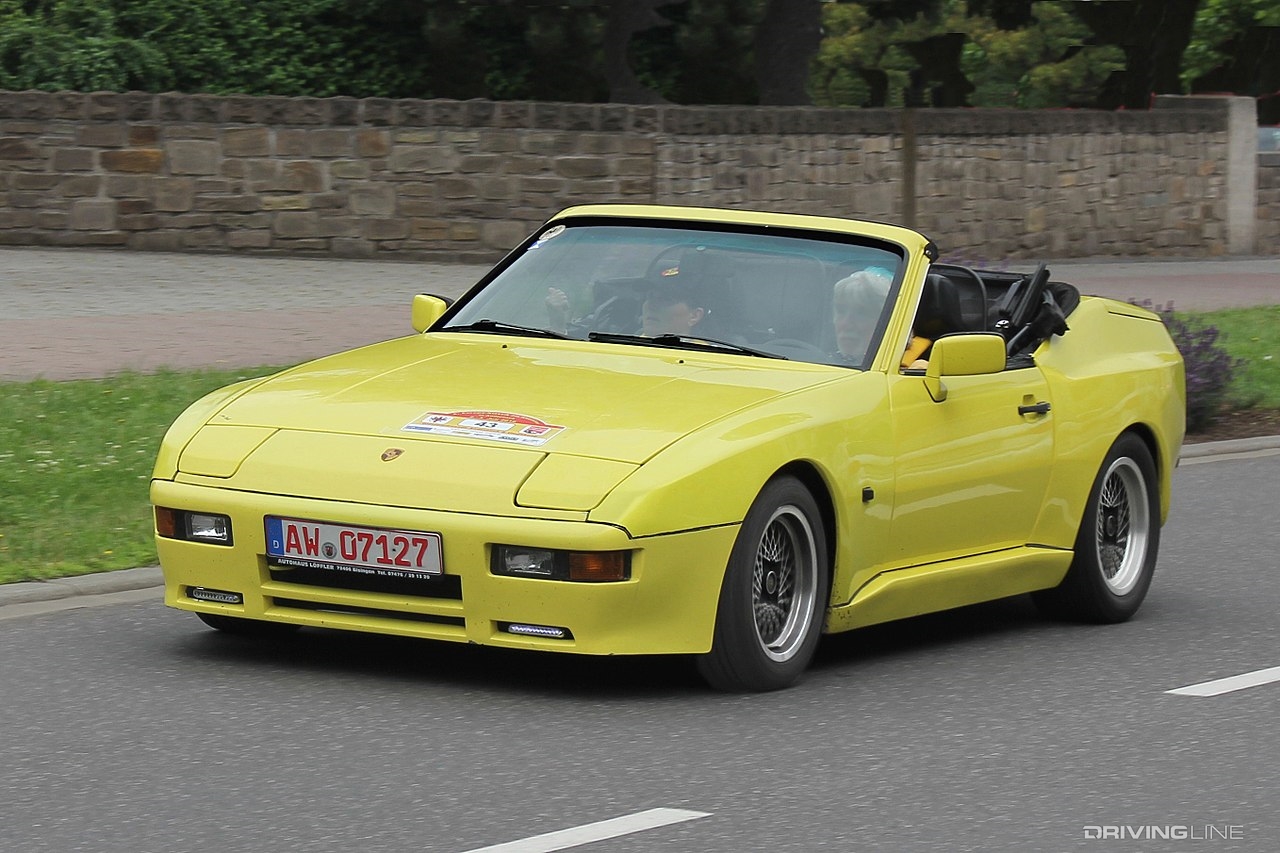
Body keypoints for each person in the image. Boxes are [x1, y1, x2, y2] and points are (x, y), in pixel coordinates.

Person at [832, 268, 929, 369]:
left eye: (861, 313)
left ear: (891, 320)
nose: (845, 323)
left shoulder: (914, 370)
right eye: (841, 311)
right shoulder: (820, 361)